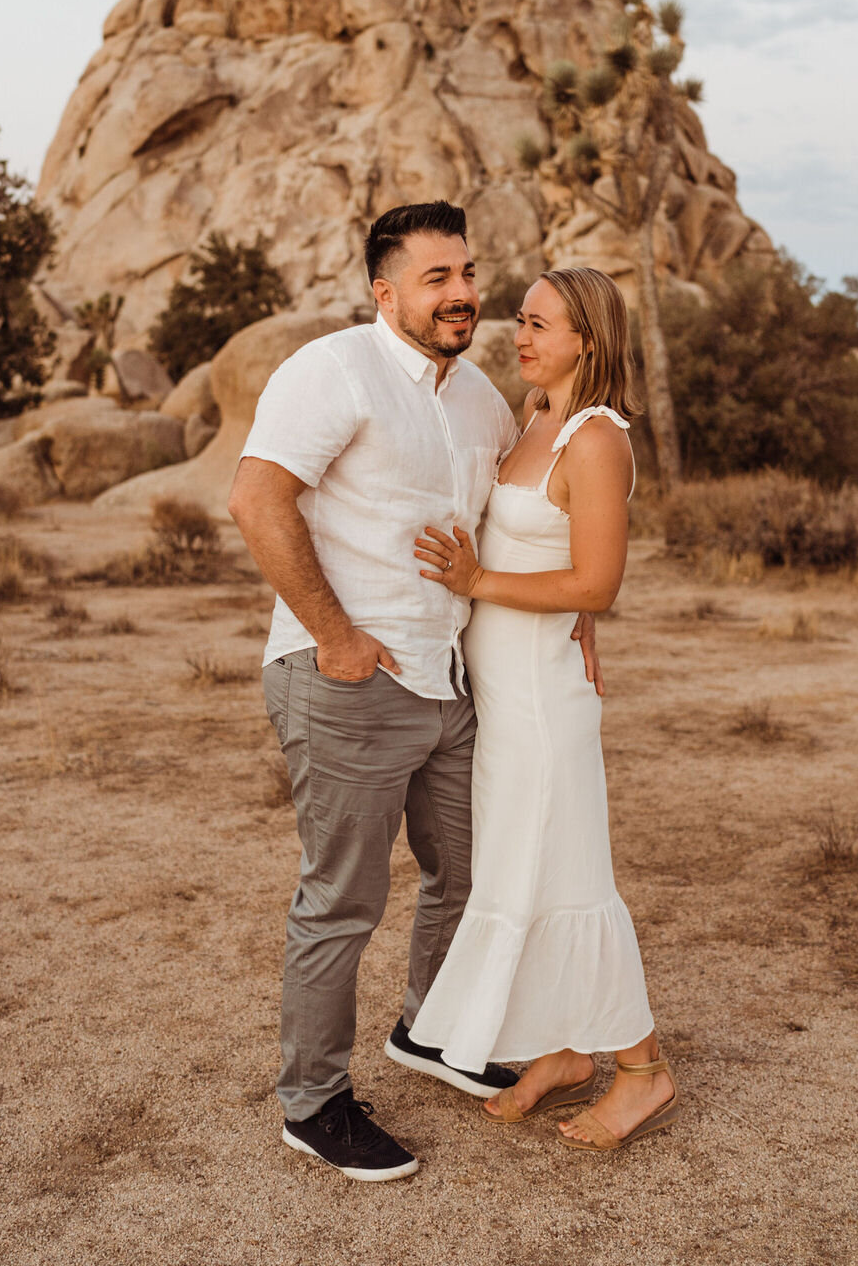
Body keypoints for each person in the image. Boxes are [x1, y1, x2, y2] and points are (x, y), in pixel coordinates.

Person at [227, 202, 601, 1181]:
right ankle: (312, 1104)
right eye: (434, 277)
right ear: (382, 291)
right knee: (341, 902)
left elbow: (537, 525)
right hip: (347, 681)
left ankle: (430, 1029)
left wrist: (578, 627)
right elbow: (255, 497)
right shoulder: (331, 369)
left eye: (467, 272)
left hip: (449, 686)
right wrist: (339, 638)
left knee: (466, 873)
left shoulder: (480, 398)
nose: (462, 293)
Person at [408, 266, 679, 1154]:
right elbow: (561, 568)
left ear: (587, 343)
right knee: (523, 870)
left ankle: (641, 1070)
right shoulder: (532, 417)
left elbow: (598, 579)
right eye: (519, 318)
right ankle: (563, 1051)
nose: (518, 334)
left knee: (564, 873)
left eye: (540, 324)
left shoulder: (595, 440)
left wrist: (482, 582)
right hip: (504, 693)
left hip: (541, 700)